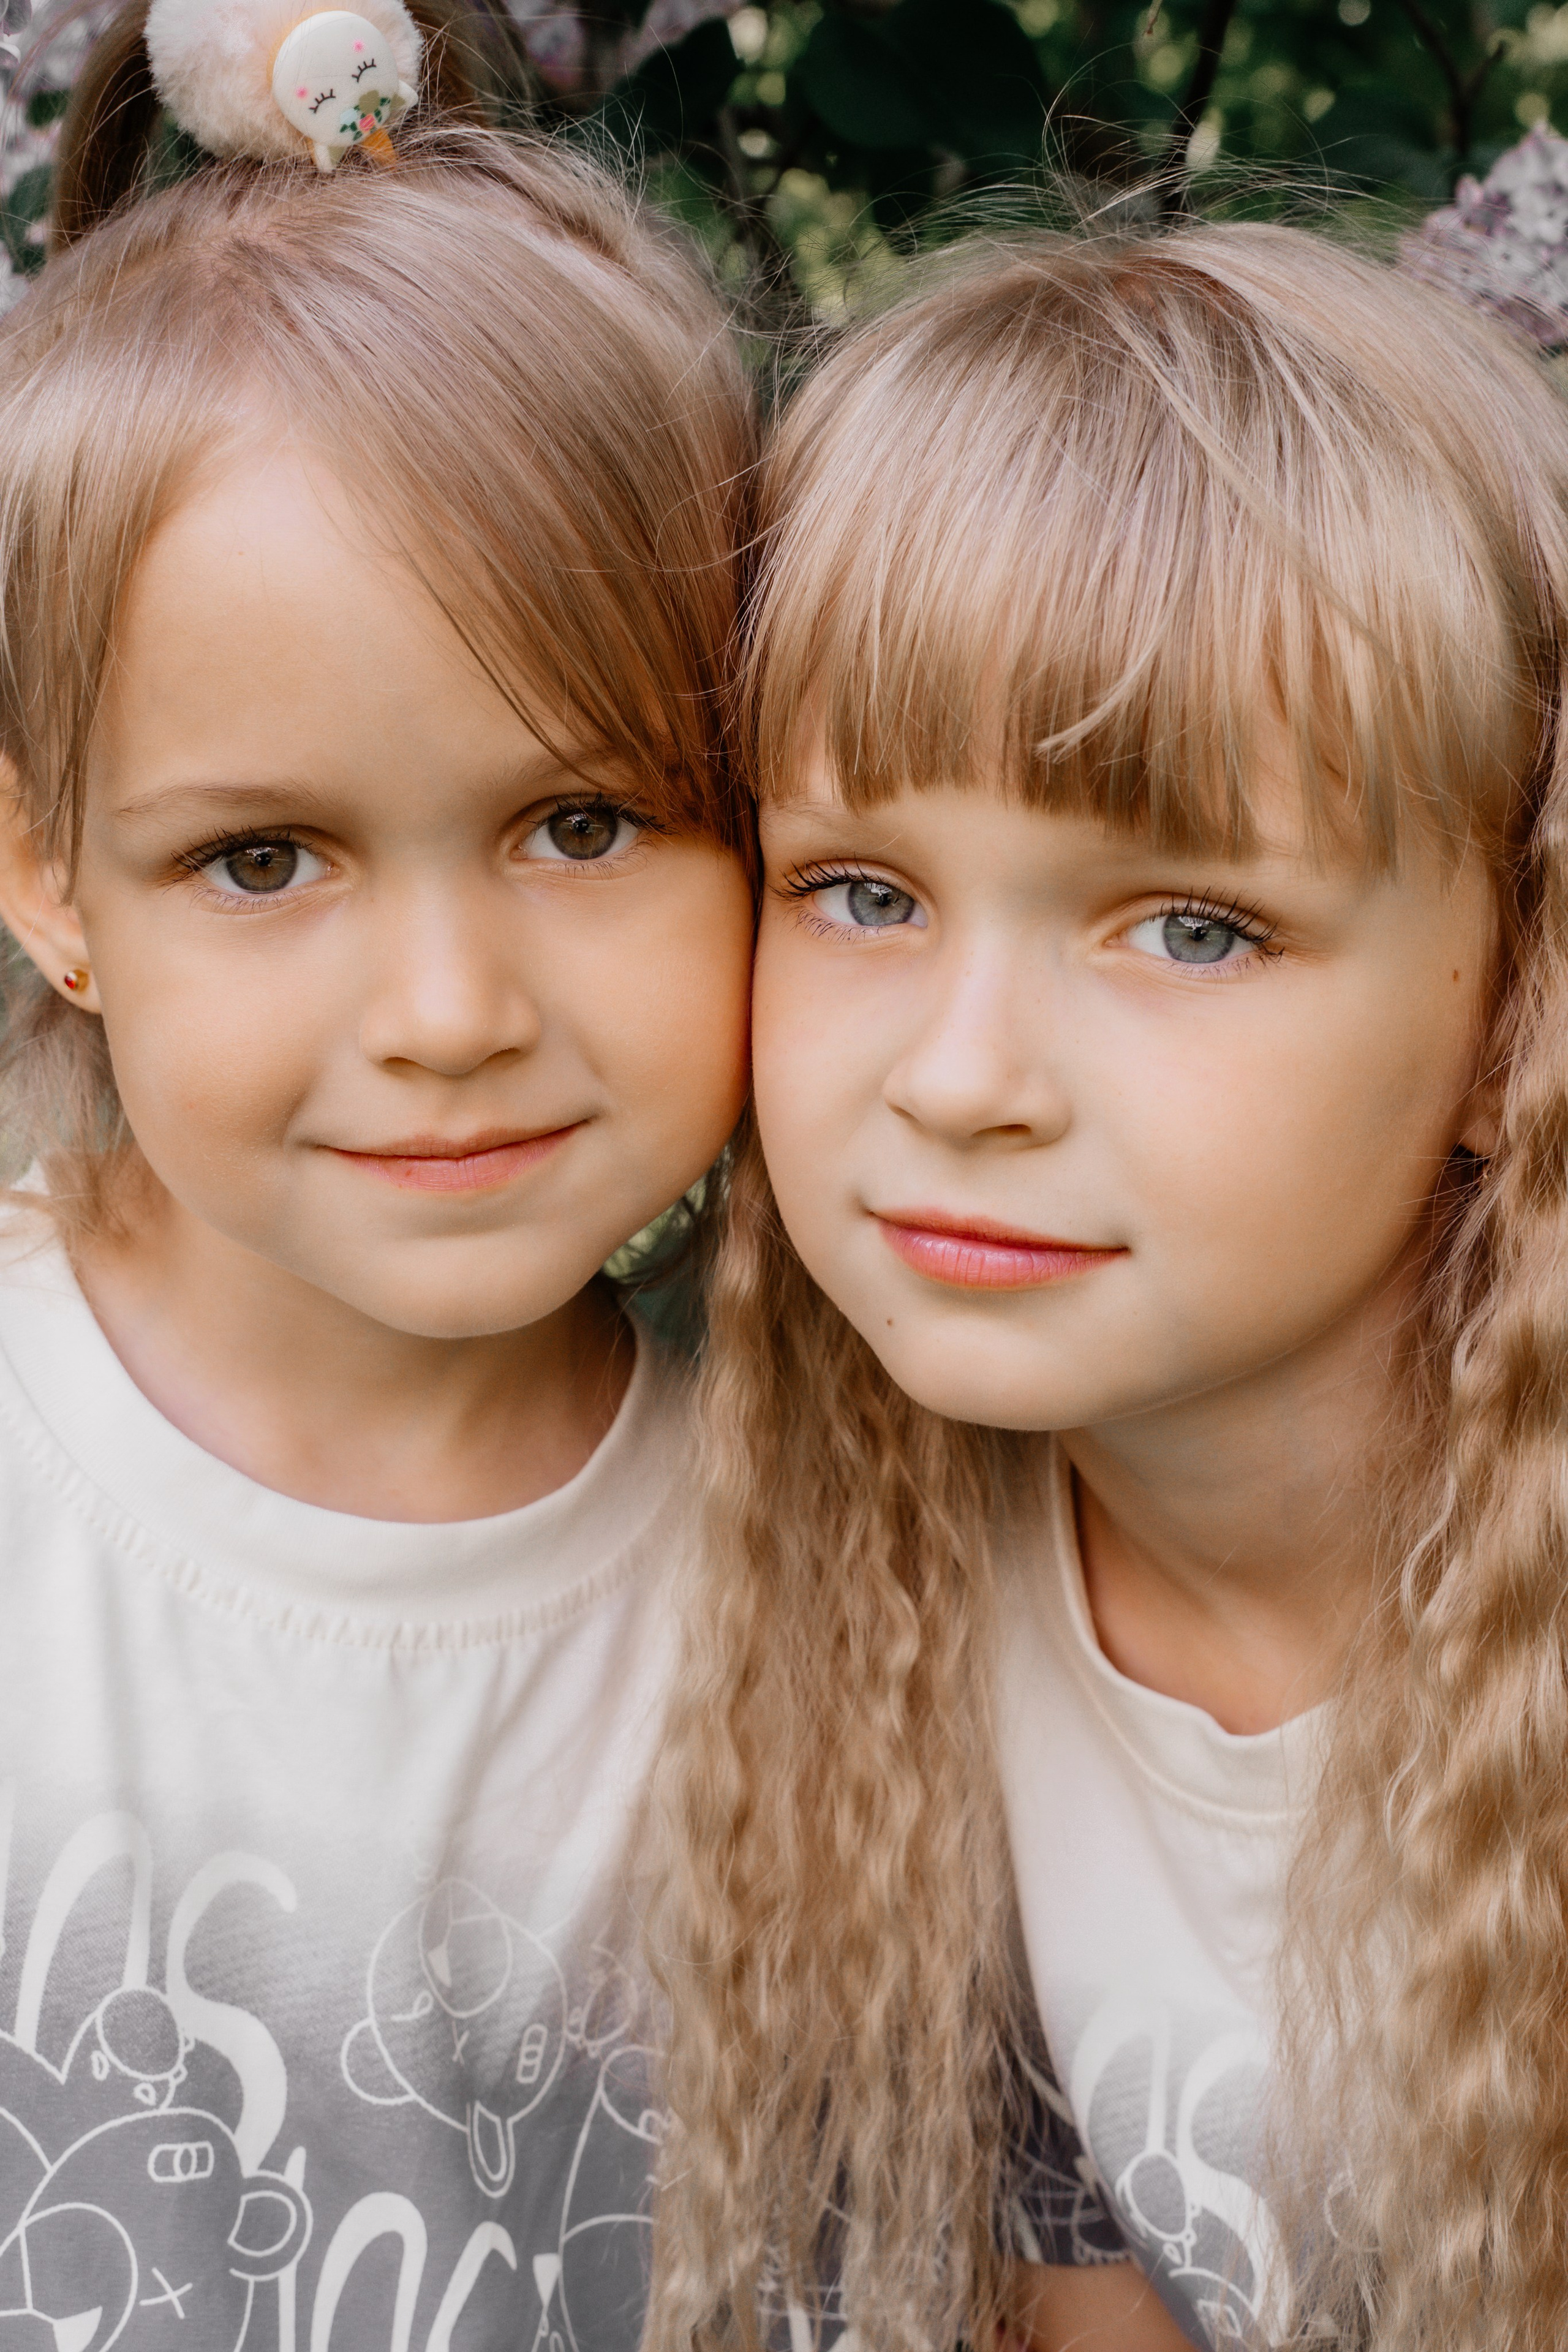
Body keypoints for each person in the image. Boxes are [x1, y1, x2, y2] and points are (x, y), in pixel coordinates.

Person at [646, 222, 1568, 2352]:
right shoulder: (885, 1591)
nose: (961, 1081)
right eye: (862, 892)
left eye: (1192, 927)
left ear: (1513, 1011)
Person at [0, 2, 755, 2339]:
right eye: (262, 859)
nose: (446, 1008)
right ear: (49, 883)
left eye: (585, 819)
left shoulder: (846, 1554)